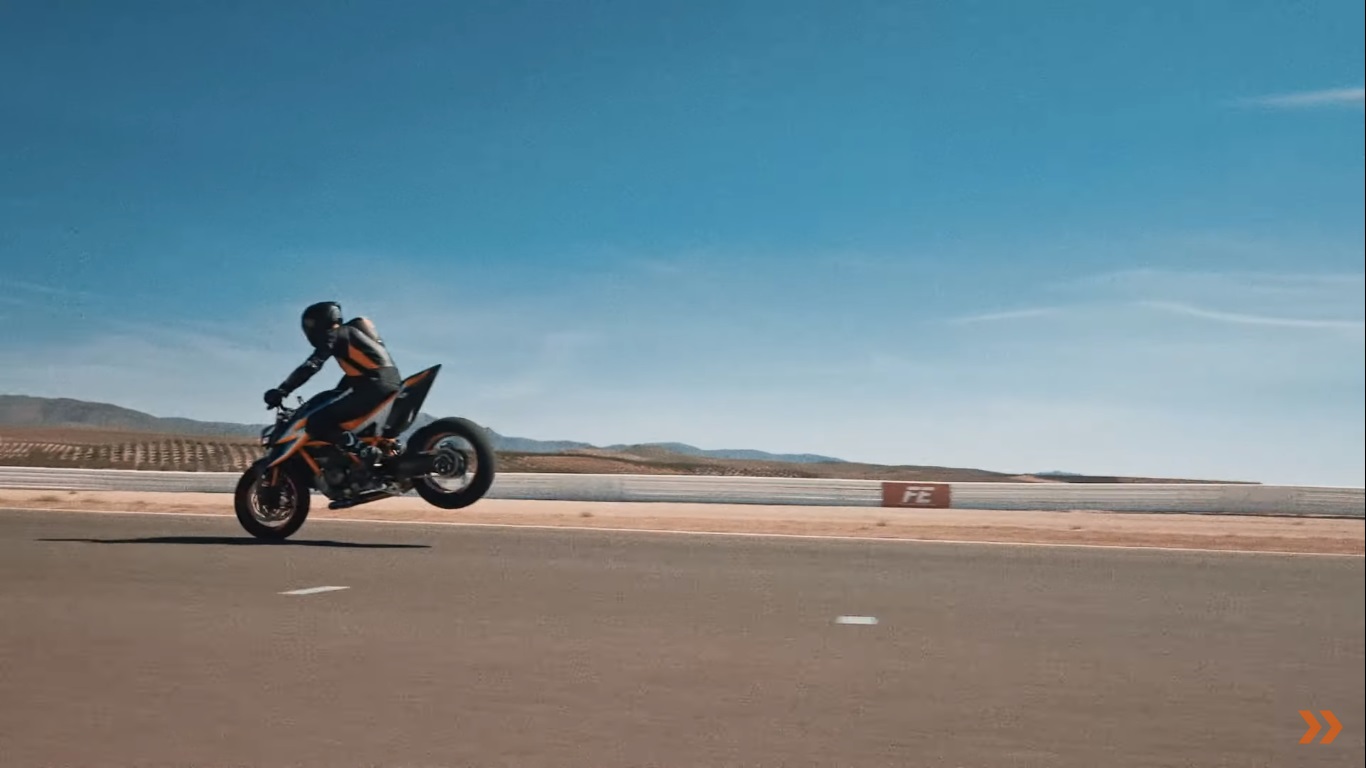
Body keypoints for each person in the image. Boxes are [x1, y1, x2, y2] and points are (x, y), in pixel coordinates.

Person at [263, 301, 401, 469]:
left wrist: (283, 390)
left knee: (316, 421)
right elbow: (346, 384)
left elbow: (312, 365)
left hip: (374, 386)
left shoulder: (335, 334)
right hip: (388, 384)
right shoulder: (353, 336)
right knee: (337, 414)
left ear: (319, 322)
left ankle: (360, 450)